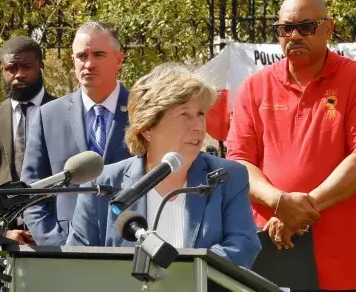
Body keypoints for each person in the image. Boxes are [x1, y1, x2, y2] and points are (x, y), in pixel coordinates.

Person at [66, 63, 260, 269]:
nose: (198, 126)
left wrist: (180, 276)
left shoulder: (228, 176)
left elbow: (242, 247)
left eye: (201, 113)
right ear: (148, 128)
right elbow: (79, 258)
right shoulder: (104, 184)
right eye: (185, 114)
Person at [226, 0, 356, 290]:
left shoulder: (352, 79)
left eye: (306, 26)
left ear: (329, 28)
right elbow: (239, 162)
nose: (294, 36)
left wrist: (297, 213)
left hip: (341, 256)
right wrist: (280, 203)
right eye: (286, 29)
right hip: (272, 249)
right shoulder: (255, 87)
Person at [22, 21, 132, 246]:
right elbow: (31, 191)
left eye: (99, 54)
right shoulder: (49, 115)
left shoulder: (143, 111)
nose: (89, 64)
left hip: (131, 242)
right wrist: (55, 243)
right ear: (73, 60)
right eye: (82, 56)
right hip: (67, 246)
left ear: (118, 60)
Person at [0, 36, 56, 291]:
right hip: (2, 244)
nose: (18, 75)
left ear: (40, 66)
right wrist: (1, 232)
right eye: (11, 68)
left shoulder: (63, 112)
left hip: (56, 240)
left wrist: (46, 230)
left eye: (26, 67)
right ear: (2, 70)